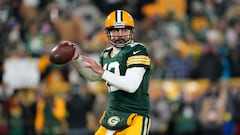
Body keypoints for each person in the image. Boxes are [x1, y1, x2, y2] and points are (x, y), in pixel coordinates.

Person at [63, 9, 152, 135]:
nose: (120, 34)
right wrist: (77, 59)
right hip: (113, 115)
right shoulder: (106, 54)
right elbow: (94, 77)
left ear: (131, 31)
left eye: (124, 29)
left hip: (135, 116)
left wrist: (103, 72)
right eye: (116, 30)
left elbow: (131, 85)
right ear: (108, 32)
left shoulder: (137, 49)